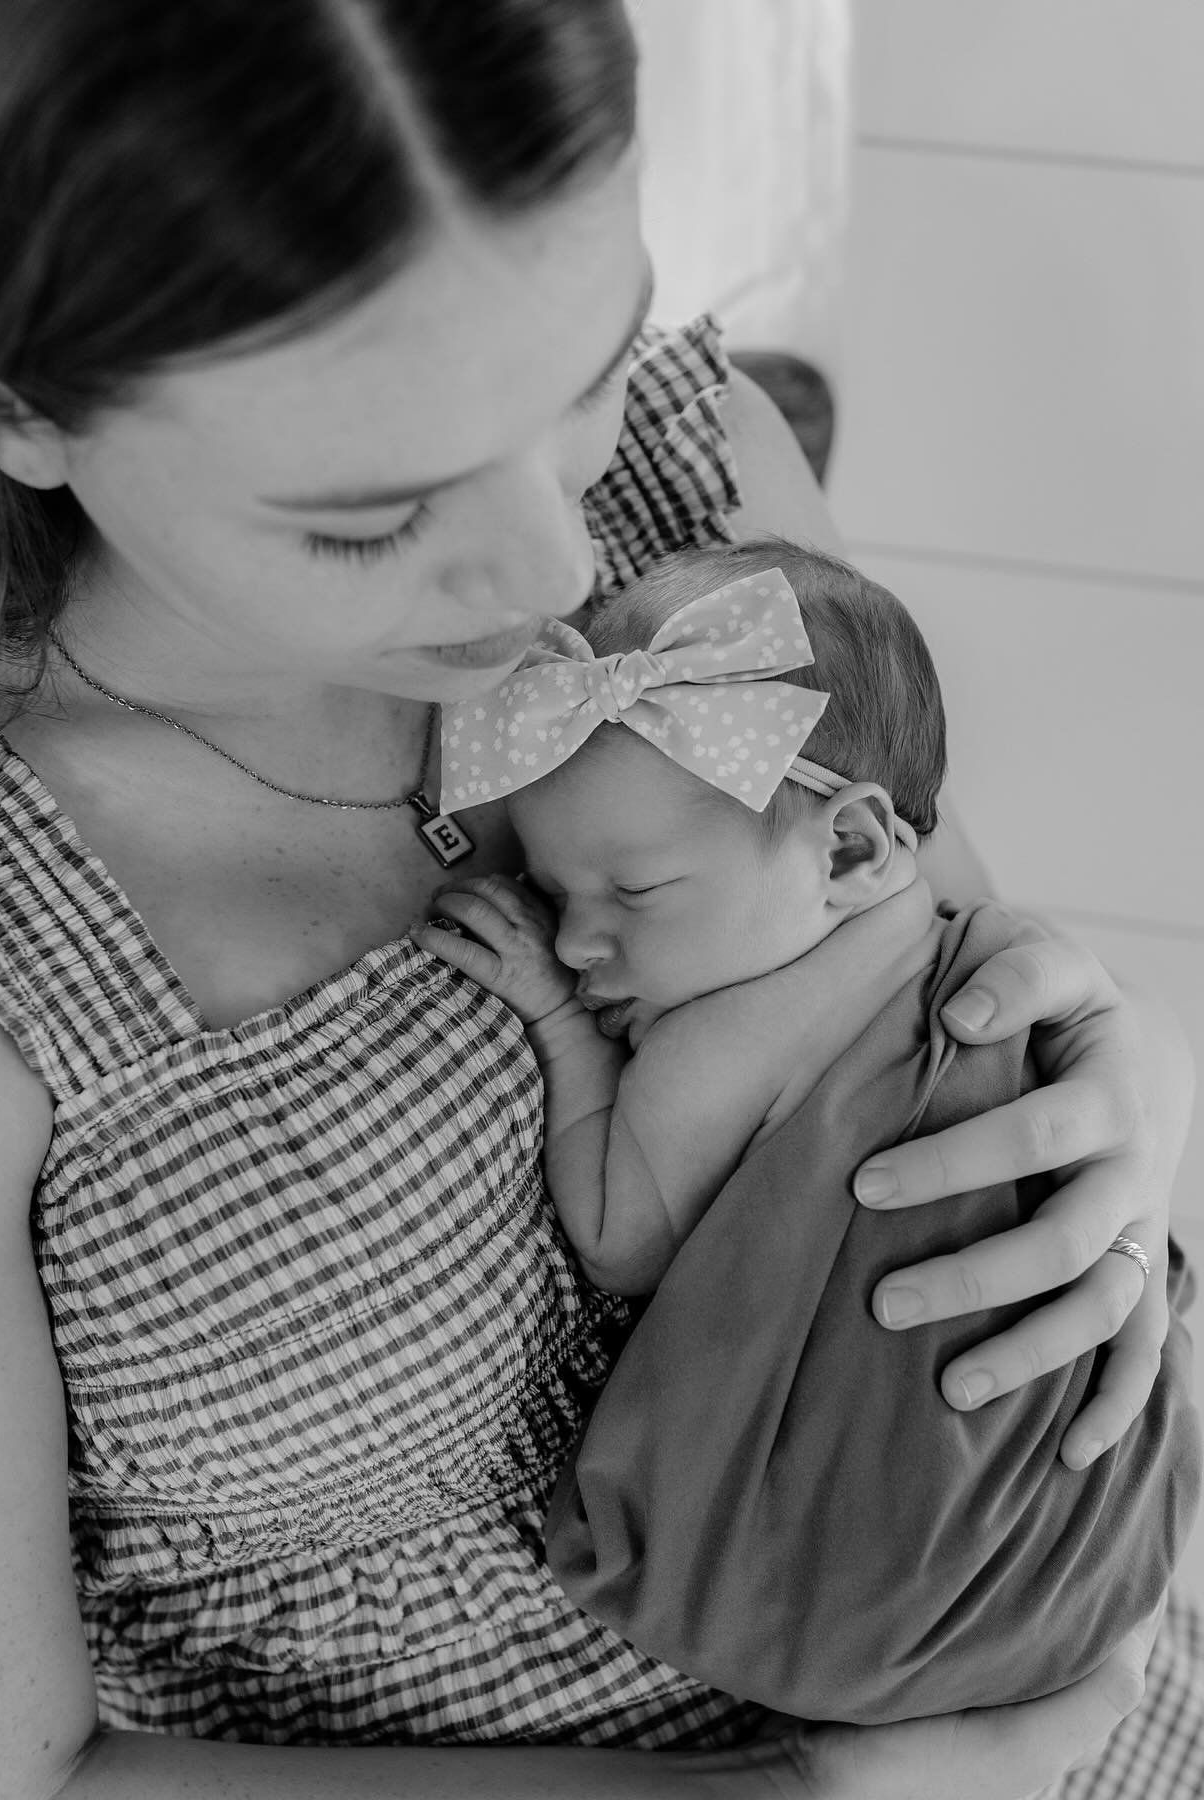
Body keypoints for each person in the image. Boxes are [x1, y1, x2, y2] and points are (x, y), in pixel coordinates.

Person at [0, 3, 1195, 1796]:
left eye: (579, 375)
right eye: (370, 512)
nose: (562, 568)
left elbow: (928, 977)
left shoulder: (698, 485)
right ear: (16, 404)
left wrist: (1114, 1098)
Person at [416, 537, 1203, 1724]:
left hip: (863, 1610)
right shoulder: (962, 947)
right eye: (557, 893)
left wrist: (557, 1032)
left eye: (630, 894)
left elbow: (620, 1240)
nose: (577, 944)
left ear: (849, 846)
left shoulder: (709, 1046)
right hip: (1103, 1554)